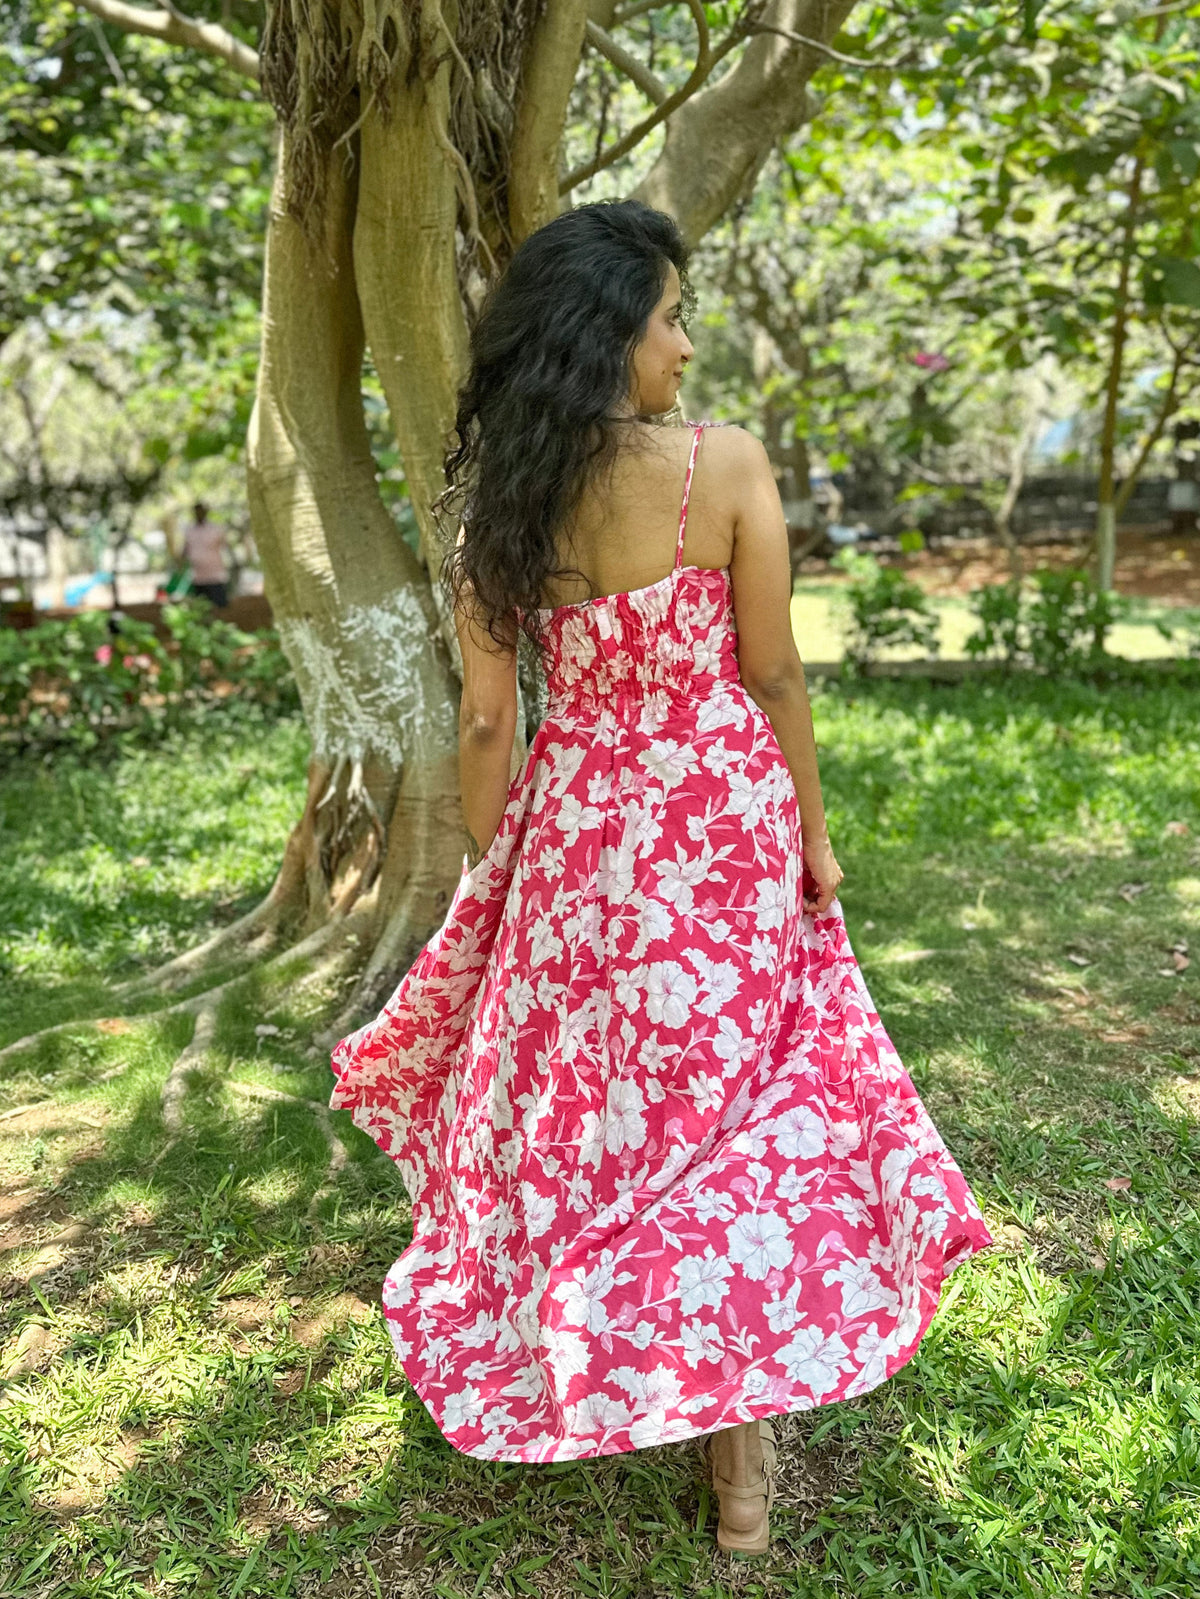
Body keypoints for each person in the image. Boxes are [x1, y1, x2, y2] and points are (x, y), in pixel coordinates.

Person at [327, 199, 994, 1556]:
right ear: (610, 330)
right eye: (671, 317)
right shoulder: (726, 465)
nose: (686, 346)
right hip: (720, 831)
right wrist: (810, 825)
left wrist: (492, 865)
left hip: (582, 838)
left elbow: (483, 723)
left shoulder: (499, 504)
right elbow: (773, 672)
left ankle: (582, 1344)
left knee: (600, 1109)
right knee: (737, 1112)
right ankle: (741, 1479)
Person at [180, 501, 229, 608]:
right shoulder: (189, 530)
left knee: (219, 606)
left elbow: (225, 546)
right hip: (198, 577)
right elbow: (185, 549)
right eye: (197, 511)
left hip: (215, 575)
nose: (199, 514)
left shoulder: (216, 529)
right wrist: (180, 565)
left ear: (206, 512)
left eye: (201, 511)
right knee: (201, 607)